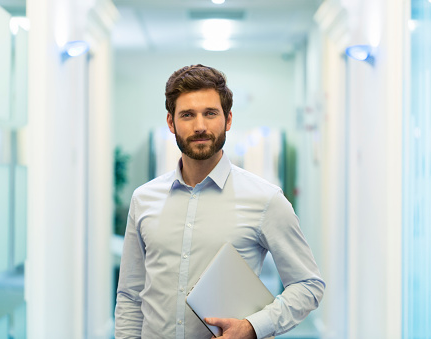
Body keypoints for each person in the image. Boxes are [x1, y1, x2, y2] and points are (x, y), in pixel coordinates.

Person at [114, 64, 325, 339]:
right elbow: (130, 296)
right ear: (171, 122)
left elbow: (308, 285)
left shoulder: (265, 199)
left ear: (228, 120)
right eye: (187, 115)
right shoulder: (144, 199)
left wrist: (252, 327)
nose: (199, 126)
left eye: (210, 113)